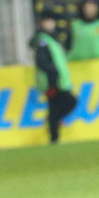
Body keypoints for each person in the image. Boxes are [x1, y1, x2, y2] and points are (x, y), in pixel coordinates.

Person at [31, 10, 78, 143]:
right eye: (47, 21)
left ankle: (54, 137)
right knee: (69, 102)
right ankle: (54, 131)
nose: (51, 24)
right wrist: (54, 72)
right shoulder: (43, 41)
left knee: (55, 108)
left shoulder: (50, 40)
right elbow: (42, 61)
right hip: (52, 81)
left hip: (56, 80)